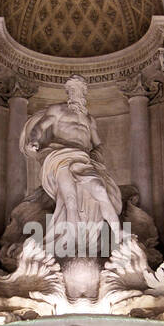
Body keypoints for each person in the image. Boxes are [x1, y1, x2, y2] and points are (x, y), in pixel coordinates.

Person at [20, 74, 122, 259]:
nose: (76, 93)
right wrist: (34, 140)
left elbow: (98, 143)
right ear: (67, 92)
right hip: (61, 157)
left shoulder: (89, 119)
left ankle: (121, 239)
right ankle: (74, 249)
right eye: (72, 90)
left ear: (84, 93)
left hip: (83, 159)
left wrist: (98, 156)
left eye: (79, 90)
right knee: (71, 201)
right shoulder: (57, 110)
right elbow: (39, 128)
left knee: (100, 190)